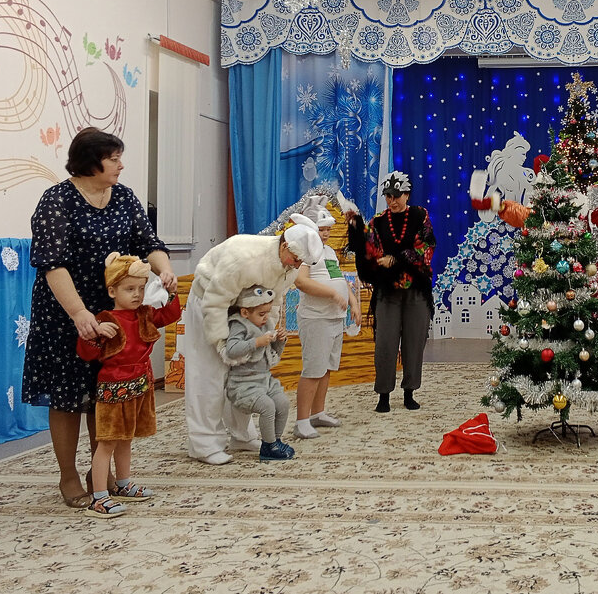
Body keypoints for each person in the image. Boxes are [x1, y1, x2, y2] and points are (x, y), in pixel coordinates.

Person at [23, 127, 176, 510]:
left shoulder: (123, 196)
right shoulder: (56, 200)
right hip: (65, 314)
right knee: (67, 396)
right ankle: (68, 475)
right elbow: (52, 265)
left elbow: (148, 243)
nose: (121, 165)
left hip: (115, 314)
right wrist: (78, 313)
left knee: (104, 395)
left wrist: (165, 269)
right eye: (114, 159)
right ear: (91, 162)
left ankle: (100, 472)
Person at [184, 218, 323, 465]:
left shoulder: (289, 268)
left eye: (301, 262)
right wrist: (222, 345)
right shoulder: (244, 257)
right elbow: (215, 301)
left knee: (246, 375)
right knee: (209, 375)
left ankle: (241, 436)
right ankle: (204, 444)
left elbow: (274, 303)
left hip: (244, 310)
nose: (297, 265)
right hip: (210, 304)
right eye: (295, 259)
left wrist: (267, 336)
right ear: (284, 245)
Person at [77, 253, 180, 518]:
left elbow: (170, 313)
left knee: (126, 440)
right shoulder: (105, 319)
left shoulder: (145, 314)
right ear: (112, 290)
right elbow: (86, 353)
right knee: (108, 442)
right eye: (129, 289)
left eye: (140, 288)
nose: (137, 294)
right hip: (114, 389)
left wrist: (171, 290)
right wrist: (94, 333)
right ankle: (99, 497)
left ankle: (123, 484)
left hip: (140, 385)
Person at [347, 171, 436, 413]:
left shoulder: (420, 215)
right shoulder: (377, 221)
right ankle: (383, 395)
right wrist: (356, 227)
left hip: (416, 290)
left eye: (396, 195)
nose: (392, 200)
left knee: (414, 342)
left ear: (407, 194)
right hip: (387, 291)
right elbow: (369, 250)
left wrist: (396, 259)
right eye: (388, 196)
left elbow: (426, 246)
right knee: (385, 343)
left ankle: (409, 392)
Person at [293, 206, 360, 439]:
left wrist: (353, 302)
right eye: (321, 229)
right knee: (313, 369)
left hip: (334, 319)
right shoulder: (303, 251)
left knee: (326, 368)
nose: (325, 234)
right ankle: (301, 420)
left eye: (327, 229)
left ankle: (317, 412)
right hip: (316, 318)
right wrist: (332, 295)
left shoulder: (329, 251)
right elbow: (300, 282)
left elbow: (338, 278)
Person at [223, 285, 295, 461]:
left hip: (265, 380)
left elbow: (272, 354)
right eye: (261, 314)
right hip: (243, 384)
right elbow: (231, 349)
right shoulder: (238, 325)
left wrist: (280, 341)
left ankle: (275, 441)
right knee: (267, 406)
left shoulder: (265, 325)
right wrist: (256, 342)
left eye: (267, 313)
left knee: (283, 403)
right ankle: (268, 446)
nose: (265, 318)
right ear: (245, 312)